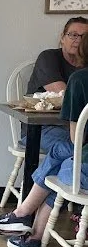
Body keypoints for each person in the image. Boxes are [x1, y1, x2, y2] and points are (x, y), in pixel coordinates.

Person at [0, 31, 88, 247]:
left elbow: (75, 138)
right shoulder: (50, 58)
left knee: (63, 160)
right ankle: (28, 231)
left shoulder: (80, 80)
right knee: (65, 156)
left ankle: (26, 222)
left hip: (84, 173)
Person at [25, 16, 88, 150]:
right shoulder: (48, 58)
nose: (78, 40)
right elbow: (66, 97)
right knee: (75, 150)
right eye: (73, 35)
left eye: (84, 37)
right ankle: (42, 172)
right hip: (43, 128)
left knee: (79, 150)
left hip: (79, 127)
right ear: (62, 38)